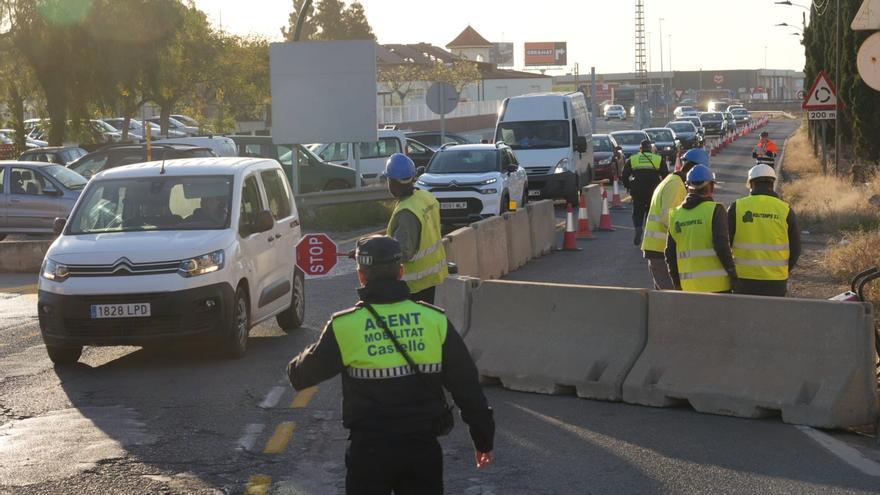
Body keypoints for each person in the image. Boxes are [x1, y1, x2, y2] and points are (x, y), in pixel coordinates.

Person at [287, 235, 495, 495]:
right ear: (401, 272)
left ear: (362, 276)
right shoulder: (433, 320)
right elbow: (467, 387)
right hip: (422, 450)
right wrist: (483, 438)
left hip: (369, 453)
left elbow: (300, 376)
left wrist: (306, 354)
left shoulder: (345, 326)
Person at [727, 164, 801, 297]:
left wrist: (731, 273)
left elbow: (725, 244)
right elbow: (796, 248)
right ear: (772, 183)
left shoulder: (737, 207)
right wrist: (783, 271)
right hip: (776, 281)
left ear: (751, 184)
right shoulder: (785, 210)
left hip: (744, 279)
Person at [384, 153, 448, 304]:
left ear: (392, 182)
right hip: (433, 277)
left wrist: (374, 256)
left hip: (413, 286)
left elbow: (403, 253)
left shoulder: (407, 211)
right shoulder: (426, 197)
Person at [640, 148, 707, 290]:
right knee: (671, 297)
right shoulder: (676, 185)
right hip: (661, 250)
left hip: (658, 248)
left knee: (663, 298)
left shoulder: (672, 181)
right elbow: (668, 218)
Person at [665, 165, 737, 293]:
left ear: (687, 187)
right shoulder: (715, 210)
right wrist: (734, 277)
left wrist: (677, 284)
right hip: (718, 288)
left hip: (689, 289)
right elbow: (722, 247)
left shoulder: (676, 215)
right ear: (711, 187)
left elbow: (670, 255)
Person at [622, 139, 668, 245]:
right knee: (651, 212)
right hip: (653, 190)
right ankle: (648, 232)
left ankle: (638, 228)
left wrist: (629, 186)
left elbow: (624, 175)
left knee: (637, 212)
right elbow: (666, 176)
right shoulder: (658, 159)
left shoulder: (633, 159)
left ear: (640, 148)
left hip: (637, 190)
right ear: (651, 149)